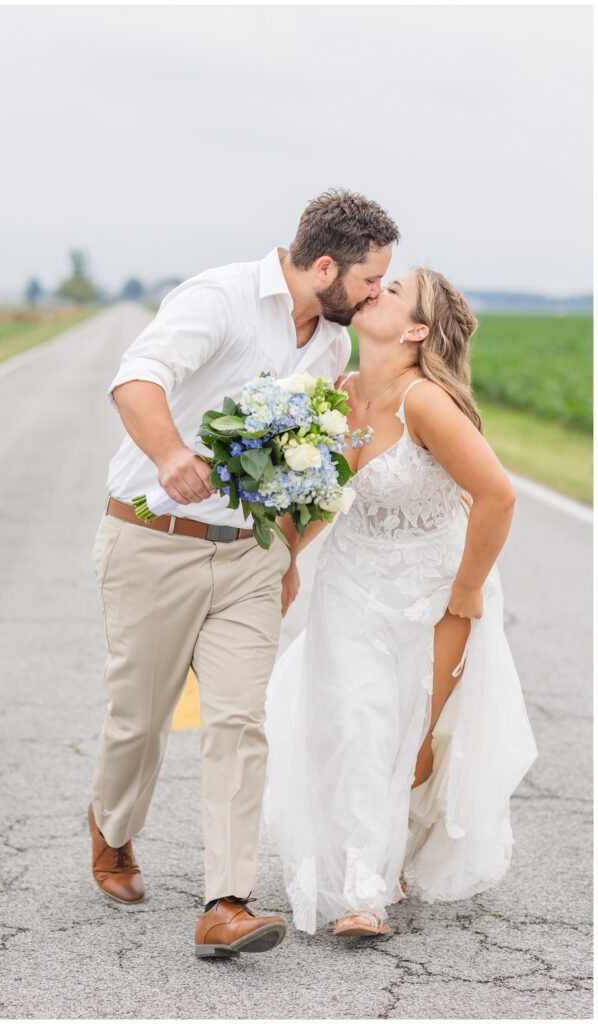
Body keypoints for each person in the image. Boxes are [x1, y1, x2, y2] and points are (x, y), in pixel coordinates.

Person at [88, 189, 400, 958]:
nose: (371, 298)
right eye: (367, 281)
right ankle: (113, 824)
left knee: (237, 721)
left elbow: (304, 463)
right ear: (324, 265)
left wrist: (286, 551)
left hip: (251, 557)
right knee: (141, 718)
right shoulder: (219, 298)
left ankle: (225, 901)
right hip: (153, 539)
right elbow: (137, 380)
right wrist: (169, 455)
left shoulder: (328, 344)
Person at [263, 268, 538, 937]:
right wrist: (288, 559)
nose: (374, 290)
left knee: (414, 744)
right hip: (351, 583)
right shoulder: (339, 395)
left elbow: (498, 497)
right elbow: (327, 493)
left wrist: (466, 591)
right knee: (359, 721)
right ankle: (363, 889)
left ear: (416, 330)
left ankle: (399, 850)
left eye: (393, 290)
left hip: (435, 592)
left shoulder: (426, 404)